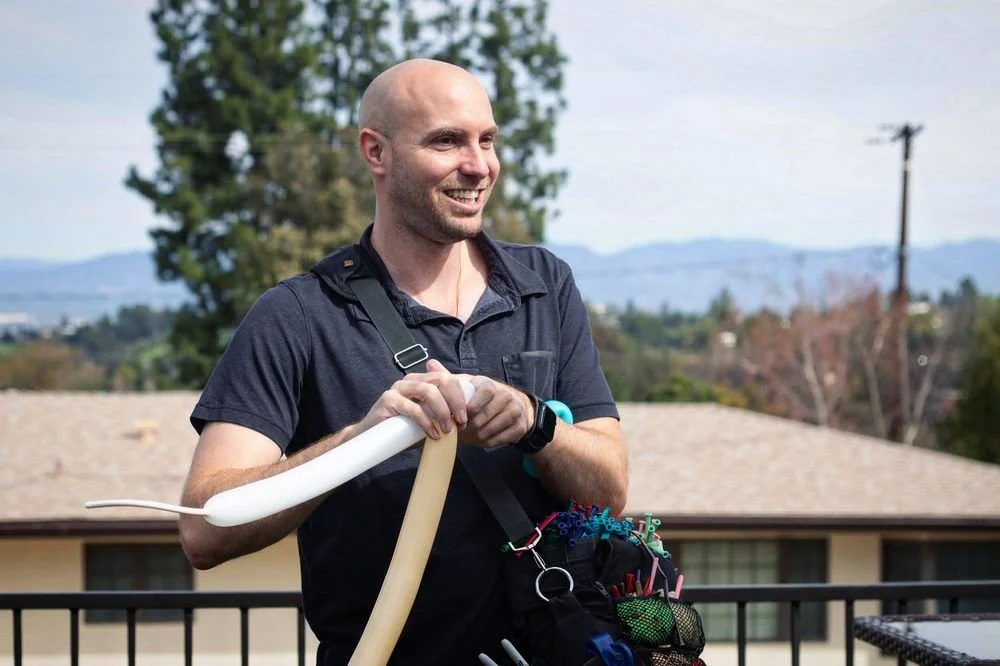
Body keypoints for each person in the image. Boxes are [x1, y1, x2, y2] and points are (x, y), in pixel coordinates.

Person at [177, 58, 628, 665]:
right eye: (446, 141)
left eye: (487, 140)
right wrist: (364, 439)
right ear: (376, 152)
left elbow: (610, 490)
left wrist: (533, 423)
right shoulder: (298, 315)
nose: (479, 165)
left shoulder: (544, 284)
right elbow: (205, 529)